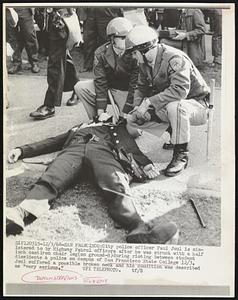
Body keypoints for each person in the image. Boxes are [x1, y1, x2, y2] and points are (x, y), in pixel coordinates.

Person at [6, 116, 179, 244]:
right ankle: (19, 213)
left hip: (102, 151)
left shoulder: (115, 127)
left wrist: (146, 164)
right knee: (52, 177)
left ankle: (138, 228)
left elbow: (129, 145)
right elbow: (51, 142)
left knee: (115, 182)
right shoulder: (77, 128)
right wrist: (22, 150)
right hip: (74, 150)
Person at [125, 25, 210, 177]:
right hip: (172, 105)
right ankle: (174, 132)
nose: (133, 57)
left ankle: (181, 155)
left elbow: (180, 91)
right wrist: (138, 106)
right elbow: (141, 87)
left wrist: (148, 103)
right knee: (132, 119)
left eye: (134, 52)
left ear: (145, 49)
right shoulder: (145, 62)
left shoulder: (174, 58)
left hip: (197, 105)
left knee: (175, 106)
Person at [72, 17, 139, 119]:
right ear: (112, 39)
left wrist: (129, 106)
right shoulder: (101, 53)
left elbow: (135, 84)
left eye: (128, 37)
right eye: (123, 37)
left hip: (126, 91)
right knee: (80, 87)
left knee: (132, 130)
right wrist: (101, 110)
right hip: (109, 88)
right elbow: (100, 81)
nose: (127, 40)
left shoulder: (135, 53)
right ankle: (97, 121)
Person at [29, 8, 80, 120]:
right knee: (62, 56)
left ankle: (49, 105)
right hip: (48, 18)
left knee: (55, 63)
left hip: (59, 18)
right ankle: (78, 89)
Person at [78, 8, 122, 73]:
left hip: (106, 10)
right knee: (88, 40)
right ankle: (88, 65)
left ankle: (110, 66)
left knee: (106, 40)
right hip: (90, 10)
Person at [7, 7, 40, 74]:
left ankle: (34, 62)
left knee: (29, 34)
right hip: (9, 8)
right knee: (12, 37)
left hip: (24, 8)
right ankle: (16, 63)